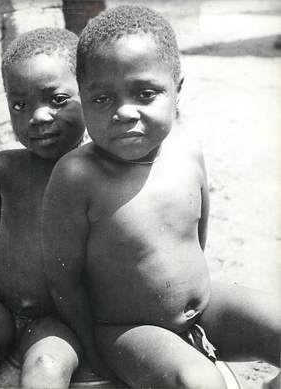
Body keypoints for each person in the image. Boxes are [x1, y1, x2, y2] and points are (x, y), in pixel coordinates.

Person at [42, 6, 281, 389]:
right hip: (129, 330)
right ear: (82, 97)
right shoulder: (77, 175)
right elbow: (63, 279)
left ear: (177, 90)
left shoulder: (187, 152)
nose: (124, 111)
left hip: (201, 312)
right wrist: (92, 350)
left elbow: (196, 235)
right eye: (101, 99)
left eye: (145, 93)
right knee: (200, 381)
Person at [0, 27, 86, 388]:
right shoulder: (5, 169)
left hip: (57, 321)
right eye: (19, 105)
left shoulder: (102, 172)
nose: (38, 116)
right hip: (1, 306)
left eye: (57, 99)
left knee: (46, 367)